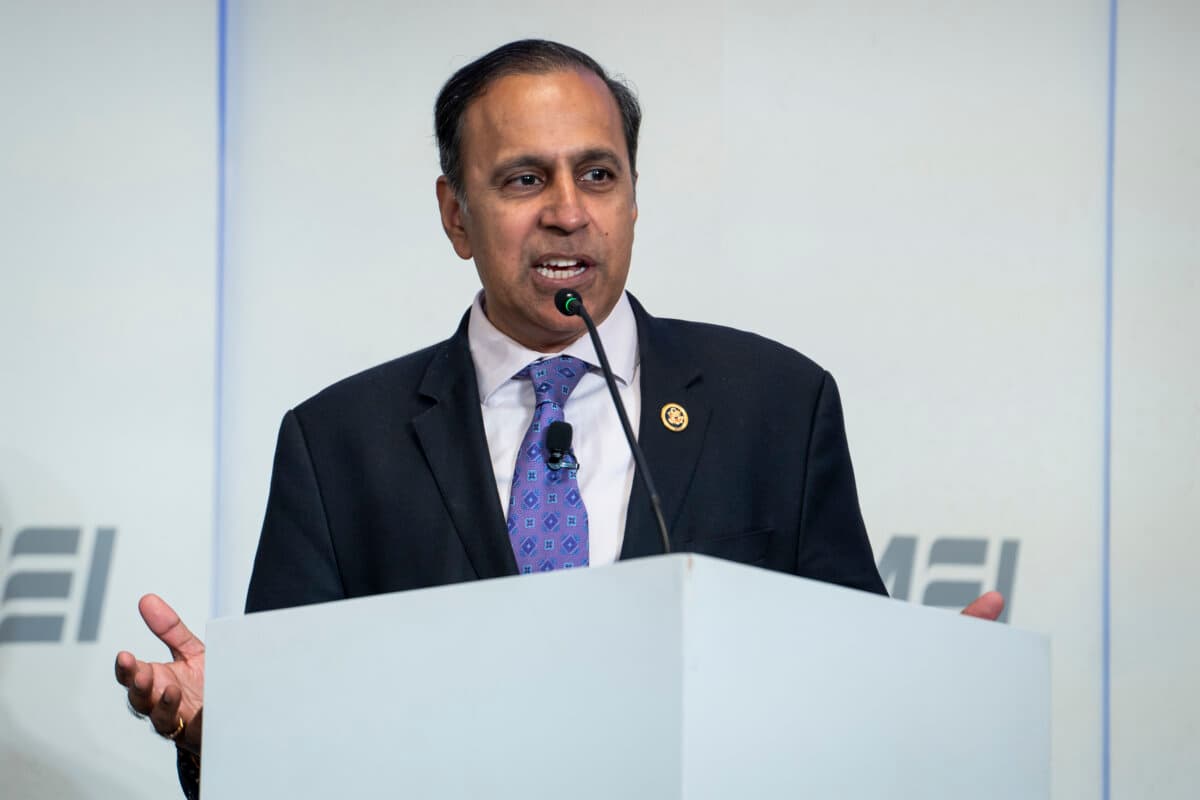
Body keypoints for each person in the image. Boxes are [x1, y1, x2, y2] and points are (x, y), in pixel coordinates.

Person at [115, 39, 1005, 797]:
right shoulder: (339, 443)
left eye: (598, 174)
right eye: (524, 179)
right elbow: (286, 743)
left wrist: (922, 704)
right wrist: (216, 732)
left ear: (632, 197)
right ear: (455, 215)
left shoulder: (777, 404)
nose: (568, 212)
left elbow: (845, 699)